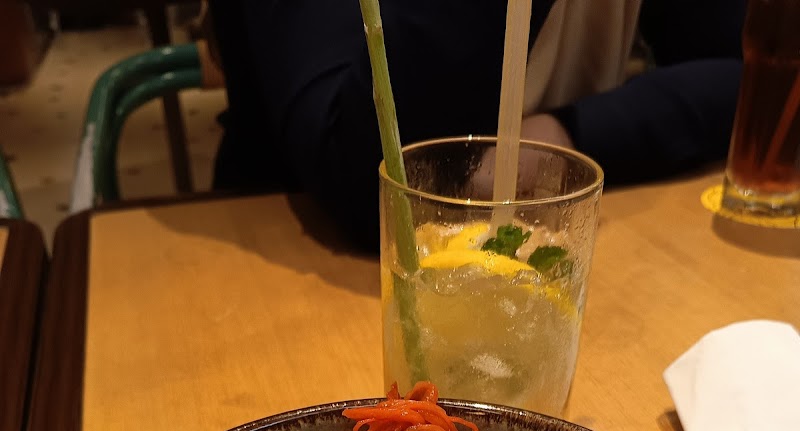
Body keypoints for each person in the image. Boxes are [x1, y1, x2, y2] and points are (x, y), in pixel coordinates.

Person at [208, 0, 746, 249]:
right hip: (288, 262)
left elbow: (748, 73)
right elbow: (364, 179)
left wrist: (569, 133)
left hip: (567, 249)